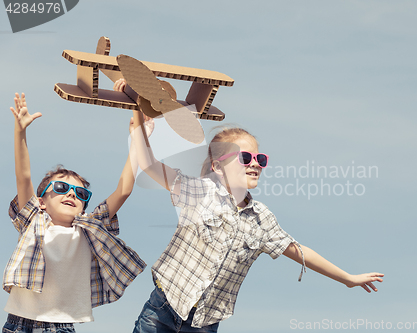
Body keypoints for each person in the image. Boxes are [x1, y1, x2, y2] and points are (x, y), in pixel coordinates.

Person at [118, 79, 384, 333]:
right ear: (218, 166)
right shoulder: (197, 192)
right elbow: (149, 163)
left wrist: (347, 278)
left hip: (204, 323)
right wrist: (140, 115)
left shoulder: (262, 219)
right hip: (163, 309)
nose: (255, 163)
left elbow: (300, 251)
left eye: (260, 158)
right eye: (245, 157)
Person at [2, 92, 148, 333]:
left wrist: (136, 137)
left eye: (80, 194)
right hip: (18, 324)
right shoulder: (33, 221)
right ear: (41, 201)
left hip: (61, 327)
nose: (71, 194)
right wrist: (20, 132)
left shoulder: (89, 230)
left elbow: (123, 191)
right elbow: (24, 176)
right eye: (61, 188)